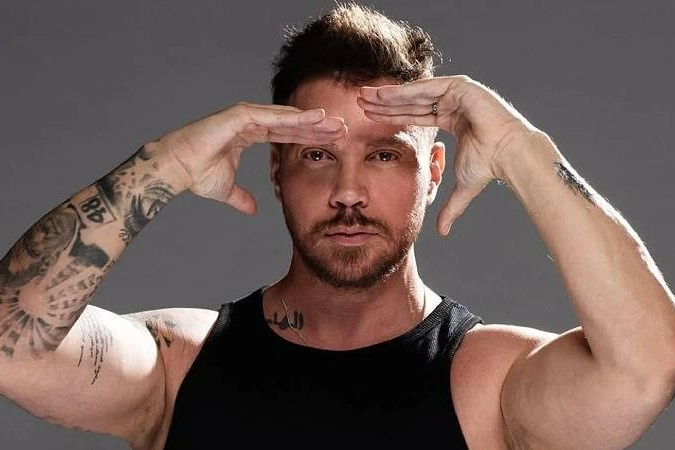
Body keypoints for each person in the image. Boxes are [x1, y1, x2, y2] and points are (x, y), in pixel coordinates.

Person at [1, 3, 674, 449]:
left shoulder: (487, 383)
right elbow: (10, 348)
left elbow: (650, 367)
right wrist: (165, 164)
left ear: (432, 170)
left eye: (384, 155)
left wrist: (519, 151)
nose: (348, 192)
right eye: (317, 156)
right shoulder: (181, 364)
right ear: (276, 170)